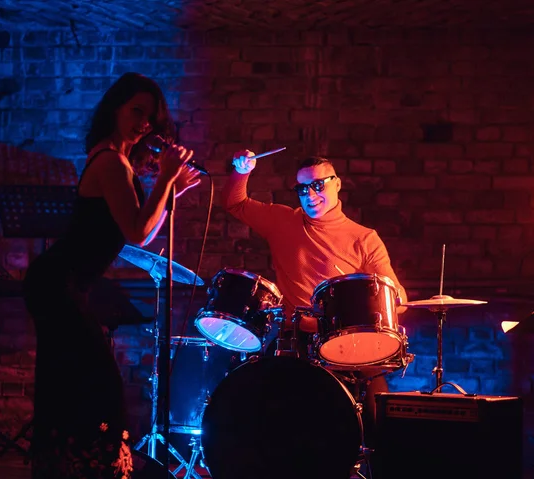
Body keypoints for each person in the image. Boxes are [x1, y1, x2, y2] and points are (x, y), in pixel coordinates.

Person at [23, 72, 200, 479]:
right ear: (115, 108)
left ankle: (69, 469)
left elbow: (139, 228)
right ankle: (86, 469)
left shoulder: (116, 160)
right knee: (98, 383)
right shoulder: (110, 162)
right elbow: (138, 231)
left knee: (73, 382)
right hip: (57, 282)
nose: (144, 123)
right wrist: (168, 180)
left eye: (151, 117)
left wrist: (172, 190)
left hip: (66, 283)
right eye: (137, 111)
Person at [222, 151, 408, 446]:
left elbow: (396, 296)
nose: (310, 194)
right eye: (302, 188)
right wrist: (242, 171)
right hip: (294, 339)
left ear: (337, 184)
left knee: (375, 417)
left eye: (319, 185)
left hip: (347, 344)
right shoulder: (283, 220)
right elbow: (234, 203)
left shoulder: (364, 238)